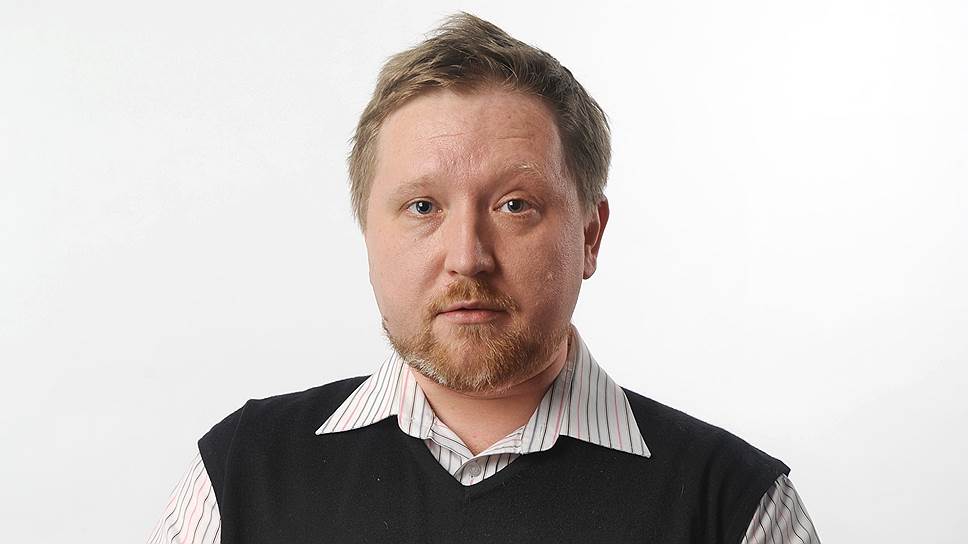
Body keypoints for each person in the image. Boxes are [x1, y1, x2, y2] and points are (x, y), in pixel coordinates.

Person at [148, 12, 819, 544]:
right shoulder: (240, 476)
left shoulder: (735, 508)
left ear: (590, 235)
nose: (467, 256)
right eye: (423, 207)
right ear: (367, 233)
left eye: (514, 205)